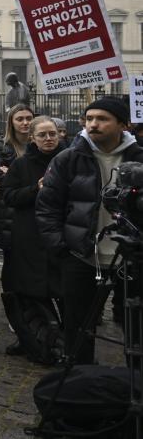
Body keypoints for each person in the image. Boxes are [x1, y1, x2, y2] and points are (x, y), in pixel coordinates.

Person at [37, 98, 143, 365]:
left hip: (131, 257)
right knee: (79, 328)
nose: (93, 124)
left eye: (103, 119)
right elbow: (48, 207)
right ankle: (79, 383)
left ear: (122, 124)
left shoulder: (139, 158)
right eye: (89, 118)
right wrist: (62, 249)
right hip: (82, 256)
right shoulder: (69, 159)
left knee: (136, 328)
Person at [0, 116, 64, 364]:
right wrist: (35, 189)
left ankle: (62, 339)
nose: (49, 139)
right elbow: (8, 196)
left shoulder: (68, 161)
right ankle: (32, 336)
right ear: (33, 138)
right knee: (27, 289)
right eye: (43, 135)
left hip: (60, 234)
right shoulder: (22, 165)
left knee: (60, 289)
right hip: (28, 235)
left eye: (52, 134)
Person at [0, 104, 34, 189]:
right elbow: (0, 180)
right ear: (11, 122)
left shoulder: (39, 144)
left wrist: (12, 173)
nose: (25, 123)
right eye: (20, 119)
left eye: (29, 118)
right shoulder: (0, 146)